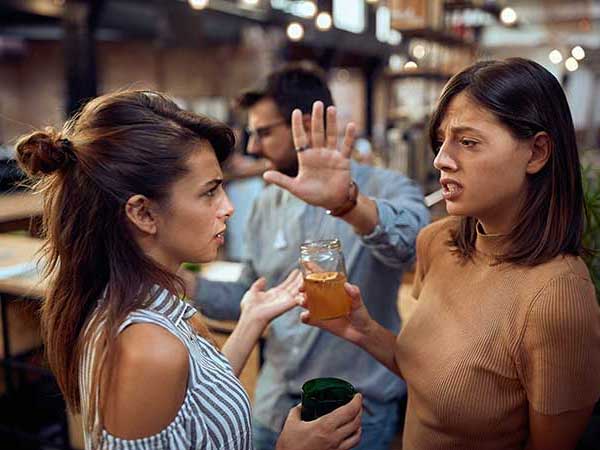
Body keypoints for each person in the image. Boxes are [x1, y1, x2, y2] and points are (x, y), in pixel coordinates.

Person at [15, 90, 363, 450]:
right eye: (209, 192)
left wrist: (250, 321)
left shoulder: (146, 302)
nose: (227, 207)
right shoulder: (146, 347)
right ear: (143, 213)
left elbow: (194, 409)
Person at [297, 58, 600, 450]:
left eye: (468, 142)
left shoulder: (558, 295)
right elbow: (430, 376)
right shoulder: (438, 242)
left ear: (537, 152)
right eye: (441, 142)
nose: (441, 159)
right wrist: (364, 330)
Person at [186, 62, 430, 450]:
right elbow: (254, 294)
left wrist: (349, 205)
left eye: (264, 132)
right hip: (273, 409)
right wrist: (188, 284)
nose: (252, 147)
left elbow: (412, 245)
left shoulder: (383, 187)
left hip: (354, 412)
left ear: (307, 123)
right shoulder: (267, 203)